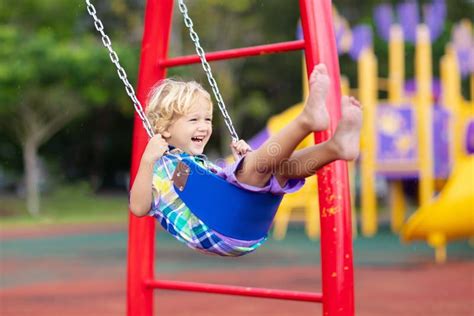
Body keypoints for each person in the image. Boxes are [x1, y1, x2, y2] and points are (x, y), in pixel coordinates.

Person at [129, 64, 362, 256]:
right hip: (221, 226)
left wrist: (242, 161)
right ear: (164, 129)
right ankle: (306, 120)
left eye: (207, 119)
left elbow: (219, 187)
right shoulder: (160, 168)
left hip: (246, 223)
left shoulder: (194, 165)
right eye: (193, 120)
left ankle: (335, 147)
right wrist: (148, 160)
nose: (204, 127)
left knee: (280, 168)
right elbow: (138, 207)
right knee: (257, 168)